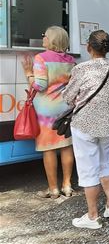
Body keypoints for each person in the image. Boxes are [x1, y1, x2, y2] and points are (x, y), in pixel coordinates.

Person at [62, 30, 109, 229]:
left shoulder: (81, 69)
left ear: (89, 47)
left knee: (88, 169)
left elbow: (68, 97)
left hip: (85, 125)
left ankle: (92, 216)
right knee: (105, 162)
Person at [21, 26, 75, 199]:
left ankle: (53, 189)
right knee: (66, 146)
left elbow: (40, 86)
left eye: (44, 35)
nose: (42, 38)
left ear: (51, 39)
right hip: (65, 108)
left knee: (49, 149)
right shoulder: (70, 60)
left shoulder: (41, 58)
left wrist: (29, 74)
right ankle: (67, 186)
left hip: (46, 112)